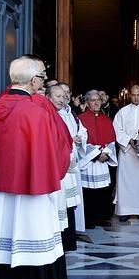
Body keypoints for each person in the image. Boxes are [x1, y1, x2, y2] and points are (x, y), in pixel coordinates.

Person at [0, 56, 70, 279]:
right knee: (30, 254)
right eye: (42, 76)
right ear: (35, 80)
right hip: (30, 197)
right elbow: (60, 152)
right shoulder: (38, 112)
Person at [47, 84, 82, 251]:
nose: (62, 99)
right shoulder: (48, 115)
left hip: (68, 165)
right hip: (56, 168)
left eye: (64, 95)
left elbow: (81, 131)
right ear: (48, 96)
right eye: (58, 96)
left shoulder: (71, 115)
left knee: (68, 206)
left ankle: (68, 241)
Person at [113, 84, 139, 222]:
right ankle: (125, 210)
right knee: (125, 181)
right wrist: (128, 141)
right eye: (133, 95)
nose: (136, 97)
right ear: (130, 95)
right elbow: (116, 129)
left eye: (138, 95)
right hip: (127, 151)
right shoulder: (122, 112)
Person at [78, 90, 117, 228]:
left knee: (103, 189)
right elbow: (81, 142)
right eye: (93, 100)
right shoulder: (81, 119)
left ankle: (102, 217)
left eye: (98, 100)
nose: (96, 102)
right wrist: (96, 154)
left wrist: (106, 153)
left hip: (103, 160)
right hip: (89, 161)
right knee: (88, 191)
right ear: (87, 103)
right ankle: (89, 219)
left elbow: (111, 140)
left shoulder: (106, 119)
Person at [57, 82, 88, 235]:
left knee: (74, 195)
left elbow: (83, 131)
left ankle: (75, 228)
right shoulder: (55, 113)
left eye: (68, 92)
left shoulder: (72, 113)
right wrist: (70, 139)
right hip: (62, 161)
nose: (66, 96)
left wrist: (80, 138)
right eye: (63, 93)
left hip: (73, 158)